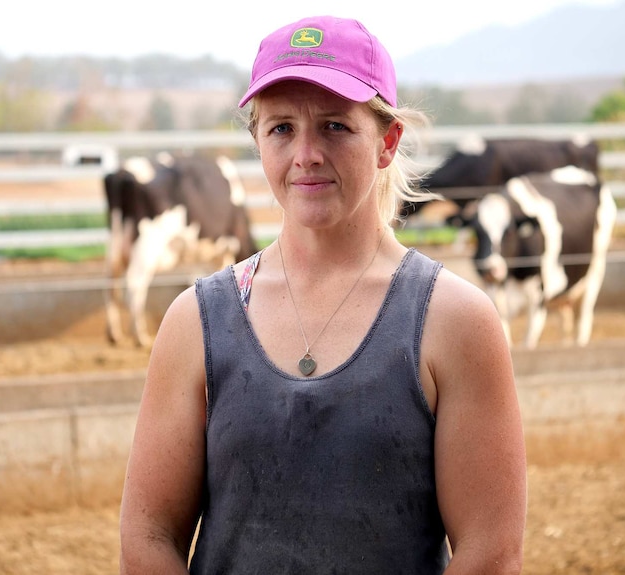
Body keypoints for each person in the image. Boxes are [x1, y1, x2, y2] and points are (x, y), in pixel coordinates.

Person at [119, 15, 527, 574]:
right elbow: (148, 535)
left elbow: (490, 552)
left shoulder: (453, 322)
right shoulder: (197, 321)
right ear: (258, 141)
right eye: (281, 128)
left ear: (387, 142)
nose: (305, 152)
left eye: (335, 126)